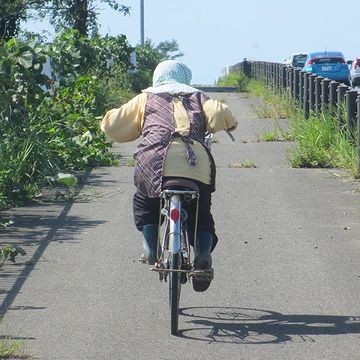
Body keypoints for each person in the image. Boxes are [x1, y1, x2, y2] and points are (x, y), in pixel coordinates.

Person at [101, 60, 237, 292]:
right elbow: (220, 113)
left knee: (145, 201)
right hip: (194, 164)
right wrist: (229, 124)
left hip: (153, 161)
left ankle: (150, 249)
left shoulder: (145, 99)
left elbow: (113, 125)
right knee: (201, 212)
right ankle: (202, 255)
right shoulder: (199, 98)